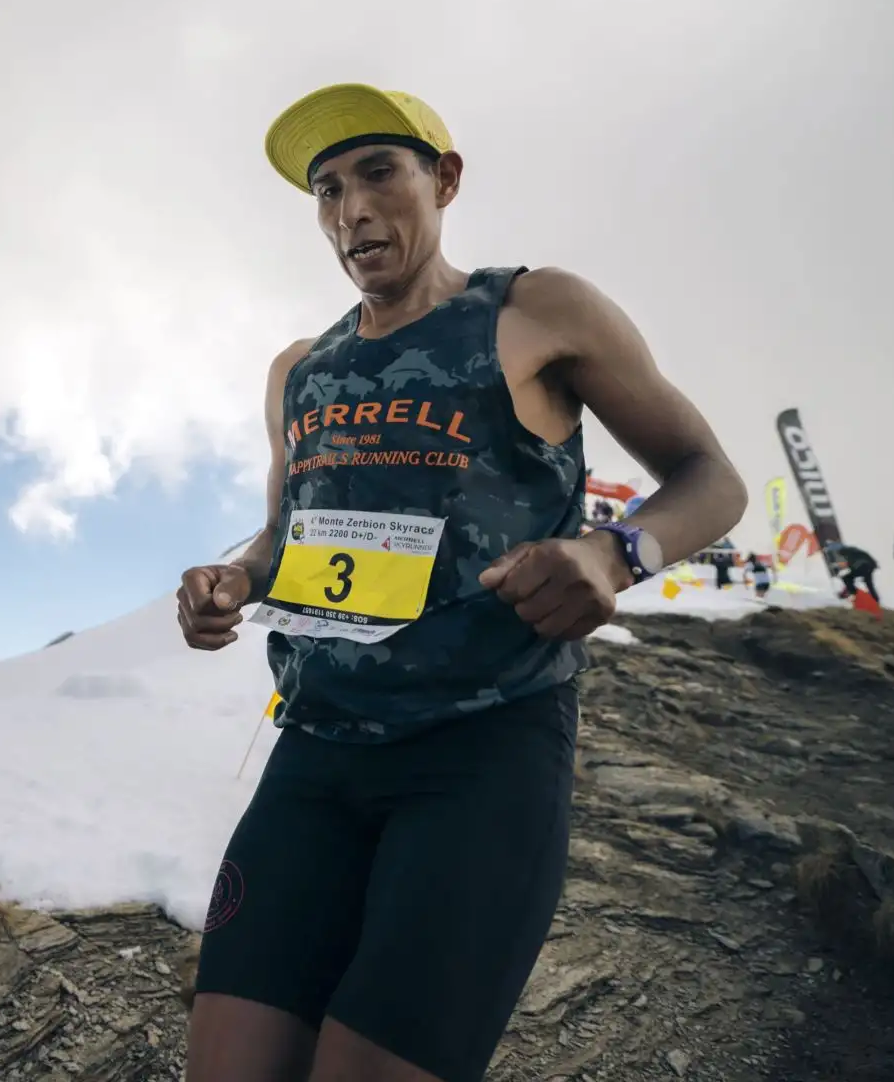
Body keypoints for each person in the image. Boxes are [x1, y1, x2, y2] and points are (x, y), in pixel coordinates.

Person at [175, 83, 748, 1082]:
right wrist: (233, 576)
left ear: (444, 179)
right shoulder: (300, 370)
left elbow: (712, 478)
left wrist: (614, 554)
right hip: (314, 755)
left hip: (480, 758)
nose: (351, 209)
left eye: (378, 172)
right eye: (327, 190)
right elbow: (287, 531)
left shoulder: (536, 310)